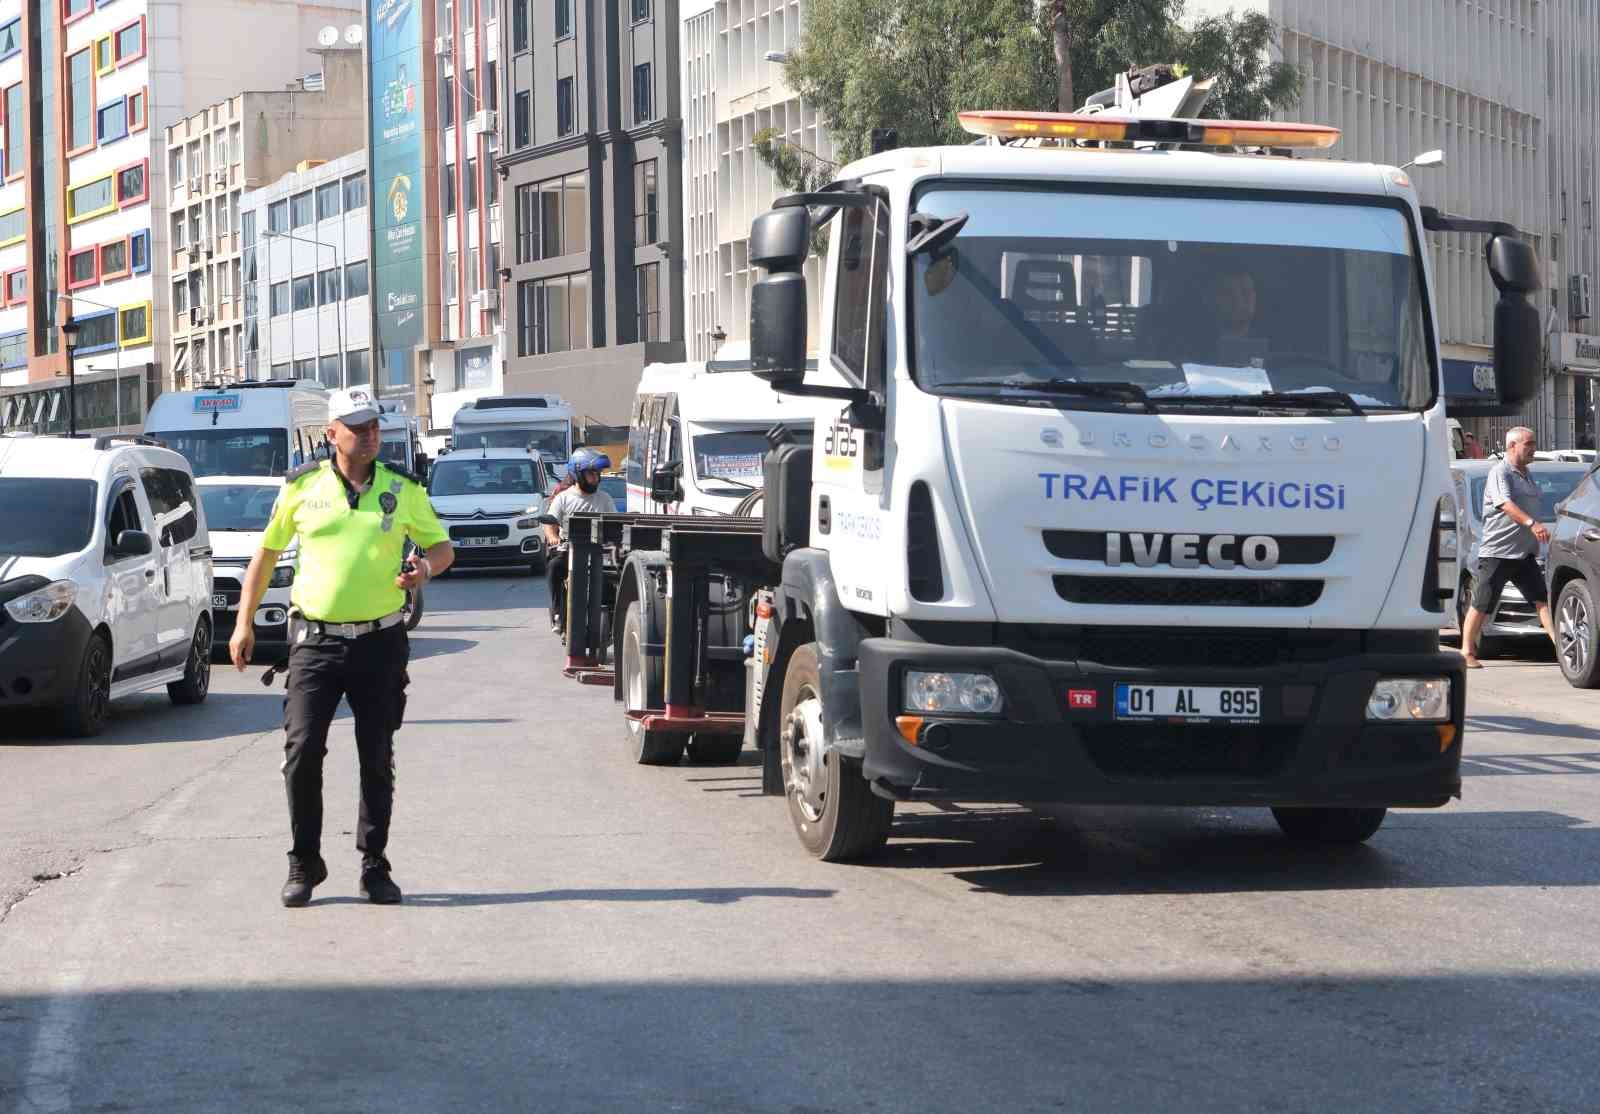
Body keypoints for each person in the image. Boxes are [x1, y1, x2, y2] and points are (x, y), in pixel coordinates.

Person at [230, 393, 454, 907]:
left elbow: (441, 548)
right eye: (357, 426)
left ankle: (374, 864)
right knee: (302, 752)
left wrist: (423, 569)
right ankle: (304, 860)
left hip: (380, 642)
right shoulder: (302, 488)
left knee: (376, 755)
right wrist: (244, 623)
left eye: (374, 425)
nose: (370, 434)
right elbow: (264, 556)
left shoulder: (403, 489)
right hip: (315, 643)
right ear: (332, 433)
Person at [1460, 426, 1557, 669]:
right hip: (1497, 553)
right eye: (1529, 444)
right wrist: (1532, 523)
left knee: (1542, 601)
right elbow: (1505, 503)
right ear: (1512, 445)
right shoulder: (1500, 472)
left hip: (1524, 554)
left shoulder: (1526, 473)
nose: (1533, 448)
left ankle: (1562, 648)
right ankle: (1466, 651)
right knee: (1482, 603)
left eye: (1534, 443)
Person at [543, 448, 617, 634]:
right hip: (570, 550)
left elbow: (616, 523)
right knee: (554, 568)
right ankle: (558, 614)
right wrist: (552, 536)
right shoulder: (563, 498)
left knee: (614, 580)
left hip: (599, 552)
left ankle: (613, 622)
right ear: (578, 474)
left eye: (597, 474)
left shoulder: (605, 499)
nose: (595, 478)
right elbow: (549, 522)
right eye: (591, 473)